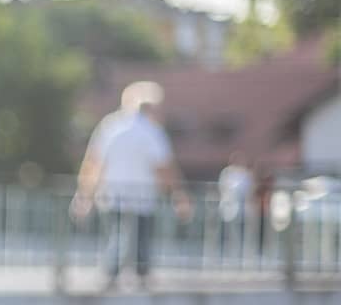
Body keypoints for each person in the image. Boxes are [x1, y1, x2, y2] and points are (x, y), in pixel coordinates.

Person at [70, 80, 192, 290]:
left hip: (111, 194)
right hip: (141, 197)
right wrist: (178, 195)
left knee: (116, 234)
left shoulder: (110, 126)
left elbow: (94, 162)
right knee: (139, 239)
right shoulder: (152, 132)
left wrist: (84, 194)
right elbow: (164, 167)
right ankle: (139, 275)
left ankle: (112, 273)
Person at [217, 151, 252, 263]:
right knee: (229, 231)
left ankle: (241, 252)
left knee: (242, 231)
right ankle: (227, 251)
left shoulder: (246, 174)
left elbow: (249, 190)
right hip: (229, 207)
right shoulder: (227, 173)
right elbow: (223, 188)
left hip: (242, 209)